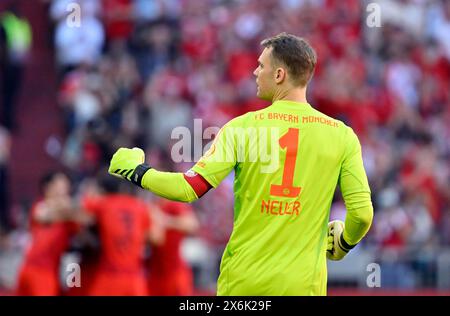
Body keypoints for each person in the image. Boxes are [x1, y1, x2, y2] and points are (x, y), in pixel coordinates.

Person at [108, 33, 374, 295]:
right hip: (304, 286)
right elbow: (362, 215)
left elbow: (189, 188)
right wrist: (344, 242)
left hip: (245, 282)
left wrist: (136, 171)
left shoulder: (242, 128)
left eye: (261, 66)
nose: (255, 72)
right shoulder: (342, 135)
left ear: (279, 75)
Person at [80, 174, 162, 296]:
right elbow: (157, 238)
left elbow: (82, 211)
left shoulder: (103, 204)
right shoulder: (141, 206)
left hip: (110, 276)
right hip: (135, 279)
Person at [16, 171, 78, 296]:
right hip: (29, 267)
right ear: (48, 187)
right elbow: (42, 215)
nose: (64, 187)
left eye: (65, 184)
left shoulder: (72, 213)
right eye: (60, 183)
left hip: (48, 271)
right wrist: (66, 209)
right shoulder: (40, 205)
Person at [147, 199, 199, 296]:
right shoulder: (152, 206)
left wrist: (165, 220)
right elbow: (157, 238)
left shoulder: (174, 204)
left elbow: (192, 224)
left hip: (174, 271)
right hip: (156, 271)